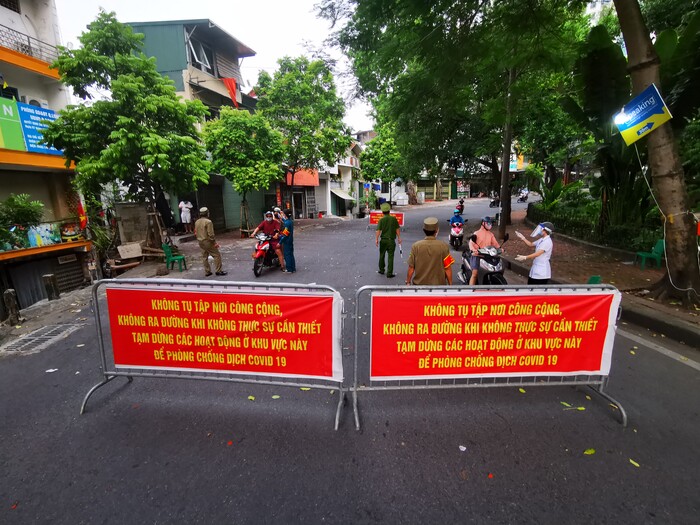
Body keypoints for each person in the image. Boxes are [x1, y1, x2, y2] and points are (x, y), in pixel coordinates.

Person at [406, 217, 454, 285]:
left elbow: (411, 267)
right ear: (436, 230)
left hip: (419, 286)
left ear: (424, 230)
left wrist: (408, 282)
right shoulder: (444, 246)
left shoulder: (416, 246)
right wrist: (450, 285)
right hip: (438, 286)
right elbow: (447, 268)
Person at [194, 207, 226, 276]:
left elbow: (196, 232)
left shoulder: (197, 222)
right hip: (207, 241)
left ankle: (207, 271)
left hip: (200, 241)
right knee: (216, 255)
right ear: (207, 213)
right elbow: (211, 234)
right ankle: (218, 270)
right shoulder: (208, 222)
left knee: (204, 257)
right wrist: (214, 242)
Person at [468, 216, 500, 285]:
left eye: (491, 223)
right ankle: (470, 289)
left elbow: (495, 244)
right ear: (483, 223)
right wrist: (474, 250)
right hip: (477, 255)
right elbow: (471, 243)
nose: (490, 225)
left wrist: (500, 248)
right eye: (488, 223)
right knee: (475, 274)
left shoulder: (491, 234)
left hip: (487, 255)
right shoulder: (476, 233)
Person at [375, 202, 402, 278]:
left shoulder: (381, 220)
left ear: (382, 212)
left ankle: (381, 270)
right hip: (391, 241)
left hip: (383, 240)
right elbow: (397, 229)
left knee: (382, 255)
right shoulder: (393, 219)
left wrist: (376, 239)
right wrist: (399, 238)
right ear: (389, 211)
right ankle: (389, 273)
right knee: (391, 256)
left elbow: (378, 231)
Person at [277, 208, 296, 273]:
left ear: (285, 215)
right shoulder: (290, 221)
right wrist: (281, 217)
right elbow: (285, 220)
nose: (283, 215)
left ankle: (289, 269)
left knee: (287, 255)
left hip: (287, 241)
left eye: (283, 214)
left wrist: (280, 242)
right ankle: (293, 268)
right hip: (290, 240)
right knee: (291, 254)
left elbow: (285, 234)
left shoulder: (287, 223)